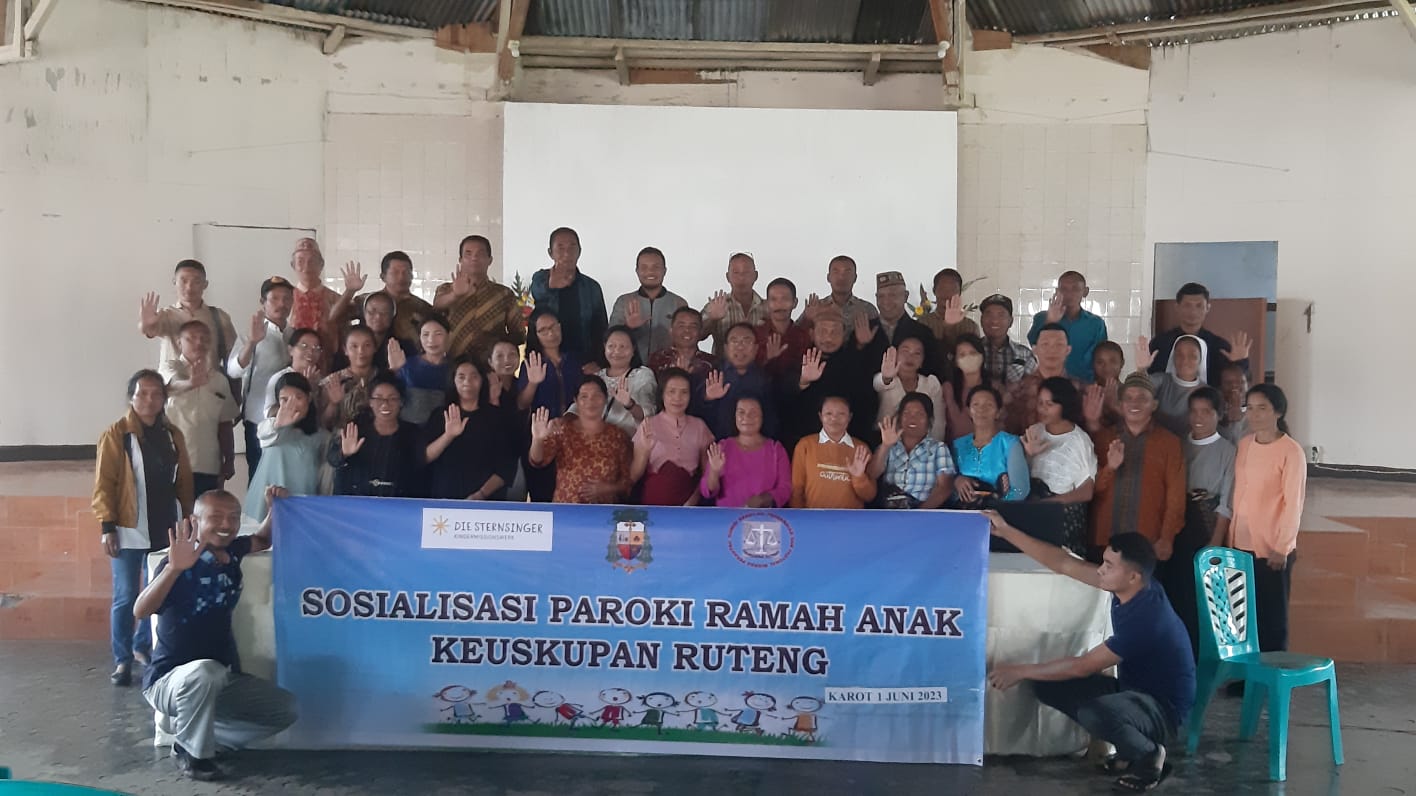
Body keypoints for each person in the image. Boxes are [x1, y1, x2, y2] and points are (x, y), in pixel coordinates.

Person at [985, 513, 1194, 793]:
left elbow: (1083, 666)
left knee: (1096, 712)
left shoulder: (1147, 619)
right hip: (1134, 691)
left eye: (1109, 565)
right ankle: (1129, 751)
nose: (1100, 570)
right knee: (1048, 687)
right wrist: (1006, 530)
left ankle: (1149, 755)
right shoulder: (1131, 588)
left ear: (1133, 576)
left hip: (1162, 711)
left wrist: (1019, 671)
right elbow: (1064, 563)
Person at [135, 490, 297, 781]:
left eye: (233, 517)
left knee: (284, 709)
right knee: (204, 672)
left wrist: (275, 509)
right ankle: (194, 756)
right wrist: (173, 568)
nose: (227, 523)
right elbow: (141, 610)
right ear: (195, 521)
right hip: (168, 682)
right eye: (216, 517)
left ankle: (203, 739)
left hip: (220, 679)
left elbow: (262, 539)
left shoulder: (232, 551)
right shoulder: (180, 561)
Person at [93, 370, 195, 687]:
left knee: (159, 592)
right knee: (126, 596)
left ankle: (143, 646)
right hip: (127, 527)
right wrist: (106, 526)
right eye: (142, 394)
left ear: (164, 399)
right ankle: (122, 659)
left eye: (156, 394)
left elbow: (184, 481)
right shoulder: (117, 434)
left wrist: (189, 517)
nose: (149, 400)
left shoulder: (172, 434)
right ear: (131, 397)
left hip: (166, 526)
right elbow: (104, 484)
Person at [1229, 384, 1305, 653]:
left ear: (1278, 411)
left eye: (1262, 408)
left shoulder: (1291, 451)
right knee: (1242, 616)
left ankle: (1272, 678)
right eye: (1250, 408)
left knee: (1272, 619)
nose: (1255, 414)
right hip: (1240, 543)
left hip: (1271, 549)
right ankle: (1246, 677)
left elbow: (1292, 504)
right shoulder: (1245, 444)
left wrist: (1282, 547)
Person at [1088, 372, 1186, 565]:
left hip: (1148, 541)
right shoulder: (1103, 438)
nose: (1135, 404)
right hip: (1105, 538)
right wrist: (1110, 467)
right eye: (1129, 398)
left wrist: (1167, 537)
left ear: (1154, 405)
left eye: (1143, 398)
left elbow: (1176, 497)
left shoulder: (1169, 443)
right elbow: (1092, 490)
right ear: (1120, 405)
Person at [1172, 386, 1236, 658]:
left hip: (1208, 527)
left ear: (1218, 414)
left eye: (1206, 412)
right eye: (1194, 411)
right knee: (1180, 593)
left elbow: (1226, 502)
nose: (1199, 417)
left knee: (1208, 596)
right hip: (1177, 526)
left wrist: (1215, 544)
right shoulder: (1177, 445)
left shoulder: (1227, 451)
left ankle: (1209, 659)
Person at [1014, 378, 1097, 554]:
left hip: (1062, 514)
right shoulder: (1034, 431)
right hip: (1033, 507)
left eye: (1049, 404)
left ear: (1064, 405)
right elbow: (1018, 478)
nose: (1043, 409)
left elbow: (1086, 491)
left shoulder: (1079, 441)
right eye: (1040, 403)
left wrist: (1049, 504)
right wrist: (1027, 455)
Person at [159, 321, 238, 496]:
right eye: (192, 338)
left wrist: (230, 459)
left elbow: (225, 424)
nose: (199, 343)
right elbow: (170, 386)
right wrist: (191, 383)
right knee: (177, 518)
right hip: (174, 463)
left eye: (204, 338)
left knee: (206, 516)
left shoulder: (219, 380)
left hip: (208, 462)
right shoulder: (168, 368)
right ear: (179, 342)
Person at [227, 276, 295, 481]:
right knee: (259, 476)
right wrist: (252, 343)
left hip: (290, 418)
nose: (281, 304)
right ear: (262, 302)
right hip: (259, 419)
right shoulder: (251, 335)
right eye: (274, 299)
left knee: (284, 476)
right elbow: (233, 370)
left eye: (287, 299)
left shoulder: (295, 335)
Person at [528, 376, 634, 504]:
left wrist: (607, 488)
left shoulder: (618, 436)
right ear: (576, 401)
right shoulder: (563, 430)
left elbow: (627, 481)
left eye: (597, 396)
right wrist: (537, 440)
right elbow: (537, 461)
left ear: (605, 399)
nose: (591, 401)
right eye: (584, 396)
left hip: (603, 514)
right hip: (566, 510)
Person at [781, 310, 879, 450]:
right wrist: (802, 381)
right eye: (823, 331)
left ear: (844, 335)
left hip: (846, 443)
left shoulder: (854, 363)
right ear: (811, 334)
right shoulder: (800, 360)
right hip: (806, 443)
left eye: (835, 332)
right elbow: (782, 399)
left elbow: (868, 405)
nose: (828, 338)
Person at [423, 358, 518, 501]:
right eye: (461, 377)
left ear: (482, 381)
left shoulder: (497, 418)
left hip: (486, 504)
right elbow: (424, 457)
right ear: (453, 381)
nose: (467, 382)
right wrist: (448, 435)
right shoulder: (440, 415)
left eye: (474, 377)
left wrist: (481, 494)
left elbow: (506, 467)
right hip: (443, 503)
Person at [245, 372, 329, 521]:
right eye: (285, 399)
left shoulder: (319, 436)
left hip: (301, 505)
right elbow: (263, 434)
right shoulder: (271, 429)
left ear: (308, 398)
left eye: (298, 397)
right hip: (265, 507)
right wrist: (278, 424)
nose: (292, 404)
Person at [433, 235, 526, 362]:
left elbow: (519, 334)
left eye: (480, 254)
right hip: (454, 366)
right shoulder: (446, 290)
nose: (474, 258)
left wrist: (494, 343)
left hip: (492, 368)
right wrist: (455, 295)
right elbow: (436, 307)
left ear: (490, 260)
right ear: (460, 259)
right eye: (468, 254)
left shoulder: (504, 294)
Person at [328, 375, 425, 498]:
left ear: (401, 402)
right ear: (370, 402)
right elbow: (332, 458)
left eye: (392, 398)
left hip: (397, 507)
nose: (385, 404)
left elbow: (419, 468)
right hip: (355, 505)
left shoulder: (412, 433)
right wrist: (344, 453)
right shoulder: (356, 427)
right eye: (378, 398)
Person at [631, 369, 714, 506]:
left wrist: (693, 500)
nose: (677, 398)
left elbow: (707, 476)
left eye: (684, 392)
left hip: (689, 505)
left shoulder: (699, 426)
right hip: (654, 503)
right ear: (662, 394)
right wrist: (645, 451)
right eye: (671, 391)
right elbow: (634, 476)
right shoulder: (648, 425)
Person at [139, 259, 238, 373]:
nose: (189, 287)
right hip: (174, 387)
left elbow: (233, 354)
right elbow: (149, 330)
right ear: (174, 282)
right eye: (183, 281)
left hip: (209, 385)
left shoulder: (219, 317)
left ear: (205, 284)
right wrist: (145, 324)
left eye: (196, 281)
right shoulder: (166, 315)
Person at [530, 227, 608, 363]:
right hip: (546, 361)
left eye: (572, 247)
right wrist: (551, 286)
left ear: (580, 251)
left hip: (583, 361)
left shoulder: (591, 287)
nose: (567, 253)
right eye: (560, 248)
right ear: (550, 253)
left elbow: (600, 330)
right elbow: (537, 293)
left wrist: (598, 362)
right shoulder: (541, 279)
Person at [1148, 282, 1251, 386]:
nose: (1193, 311)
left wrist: (1240, 363)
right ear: (1177, 307)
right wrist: (1142, 368)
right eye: (1187, 305)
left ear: (1208, 308)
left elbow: (1237, 385)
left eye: (1199, 306)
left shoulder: (1219, 347)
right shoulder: (1160, 343)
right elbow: (1148, 382)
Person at [867, 393, 956, 509]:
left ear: (929, 420)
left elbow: (945, 488)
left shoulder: (938, 448)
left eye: (919, 414)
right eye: (906, 413)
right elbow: (872, 474)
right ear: (899, 418)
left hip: (923, 513)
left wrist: (918, 514)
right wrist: (885, 446)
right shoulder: (890, 446)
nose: (912, 418)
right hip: (890, 512)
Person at [700, 396, 791, 508]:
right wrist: (714, 472)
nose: (747, 417)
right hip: (726, 521)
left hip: (764, 521)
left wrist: (763, 499)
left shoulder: (776, 450)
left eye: (753, 413)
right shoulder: (722, 447)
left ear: (763, 416)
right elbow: (708, 492)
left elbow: (785, 489)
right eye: (741, 412)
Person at [789, 396, 876, 509]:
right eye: (828, 414)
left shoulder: (861, 448)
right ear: (820, 416)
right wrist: (800, 521)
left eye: (841, 414)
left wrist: (859, 477)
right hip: (813, 520)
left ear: (850, 417)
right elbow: (796, 490)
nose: (834, 419)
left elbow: (869, 496)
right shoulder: (805, 445)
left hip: (851, 522)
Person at [331, 251, 434, 344]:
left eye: (406, 272)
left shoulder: (422, 307)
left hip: (408, 361)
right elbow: (334, 317)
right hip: (368, 360)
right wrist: (350, 291)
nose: (401, 277)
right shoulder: (368, 301)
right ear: (383, 276)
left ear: (412, 276)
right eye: (395, 272)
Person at [951, 385, 1029, 505]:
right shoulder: (958, 445)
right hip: (963, 513)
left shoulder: (1010, 444)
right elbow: (947, 485)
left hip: (1000, 514)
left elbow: (1020, 490)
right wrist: (957, 481)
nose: (981, 409)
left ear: (998, 412)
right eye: (976, 405)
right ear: (968, 412)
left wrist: (996, 503)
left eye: (989, 405)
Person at [608, 246, 687, 362]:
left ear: (664, 271)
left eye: (656, 267)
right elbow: (610, 338)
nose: (650, 272)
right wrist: (628, 327)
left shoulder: (678, 303)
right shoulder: (624, 301)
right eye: (644, 267)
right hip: (629, 368)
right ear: (637, 271)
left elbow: (687, 339)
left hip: (668, 368)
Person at [700, 323, 777, 441]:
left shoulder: (766, 378)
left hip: (754, 448)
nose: (740, 347)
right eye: (734, 341)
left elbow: (772, 421)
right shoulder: (711, 375)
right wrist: (708, 398)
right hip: (718, 448)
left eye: (746, 341)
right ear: (725, 348)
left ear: (756, 348)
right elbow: (696, 415)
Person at [1028, 271, 1108, 382]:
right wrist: (1050, 321)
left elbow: (1101, 358)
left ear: (1085, 292)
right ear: (1057, 291)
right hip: (1047, 384)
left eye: (1075, 289)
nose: (1069, 294)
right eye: (1064, 289)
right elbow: (1034, 346)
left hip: (1084, 386)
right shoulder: (1042, 318)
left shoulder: (1096, 323)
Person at [1004, 323, 1079, 435]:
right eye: (1045, 344)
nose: (1052, 350)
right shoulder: (1018, 390)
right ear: (1034, 349)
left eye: (1058, 345)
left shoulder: (1079, 389)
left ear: (1068, 350)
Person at [863, 271, 940, 377]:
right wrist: (860, 345)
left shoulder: (923, 333)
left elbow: (933, 371)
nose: (886, 301)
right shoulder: (864, 329)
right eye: (881, 296)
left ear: (906, 296)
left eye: (892, 295)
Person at [588, 326, 658, 436]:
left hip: (630, 442)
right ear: (604, 347)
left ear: (633, 349)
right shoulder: (597, 377)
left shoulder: (643, 375)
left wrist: (629, 405)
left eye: (623, 346)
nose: (616, 351)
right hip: (599, 441)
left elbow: (648, 414)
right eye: (611, 346)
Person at [874, 338, 946, 441]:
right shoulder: (887, 380)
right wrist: (886, 378)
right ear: (895, 355)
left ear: (922, 360)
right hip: (884, 441)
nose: (910, 357)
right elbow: (878, 384)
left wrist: (934, 447)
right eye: (905, 351)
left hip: (922, 444)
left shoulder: (931, 383)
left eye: (917, 353)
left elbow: (938, 422)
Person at [701, 252, 767, 358]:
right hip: (722, 370)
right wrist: (712, 319)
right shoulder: (716, 305)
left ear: (756, 276)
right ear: (727, 277)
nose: (741, 278)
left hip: (760, 370)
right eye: (736, 272)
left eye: (746, 272)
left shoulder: (767, 308)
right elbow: (695, 336)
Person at [1141, 333, 1208, 437]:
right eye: (1179, 355)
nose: (1185, 361)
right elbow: (1139, 393)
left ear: (1201, 359)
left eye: (1192, 356)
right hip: (1159, 443)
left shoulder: (1207, 392)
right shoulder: (1161, 380)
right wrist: (1141, 369)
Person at [320, 326, 386, 429]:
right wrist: (333, 404)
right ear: (345, 350)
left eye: (367, 345)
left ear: (375, 348)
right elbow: (323, 424)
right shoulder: (332, 382)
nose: (361, 351)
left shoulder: (385, 378)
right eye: (354, 346)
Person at [391, 315, 453, 425]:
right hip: (408, 428)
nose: (431, 340)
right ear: (419, 337)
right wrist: (395, 371)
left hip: (442, 429)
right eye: (425, 334)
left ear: (449, 336)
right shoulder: (407, 365)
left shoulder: (454, 368)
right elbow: (392, 396)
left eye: (438, 334)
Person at [288, 238, 341, 363]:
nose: (306, 266)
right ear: (293, 265)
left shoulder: (336, 299)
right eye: (300, 261)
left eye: (312, 261)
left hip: (328, 366)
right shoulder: (286, 299)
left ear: (321, 264)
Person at [921, 267, 982, 372]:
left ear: (959, 292)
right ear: (934, 291)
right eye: (943, 289)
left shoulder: (970, 326)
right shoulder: (923, 323)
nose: (947, 295)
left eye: (952, 290)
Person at [754, 277, 813, 379]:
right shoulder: (755, 334)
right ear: (767, 303)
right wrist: (768, 360)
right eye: (774, 299)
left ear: (795, 303)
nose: (779, 305)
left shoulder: (804, 337)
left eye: (785, 299)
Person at [261, 328, 324, 420]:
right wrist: (303, 390)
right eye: (304, 346)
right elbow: (268, 413)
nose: (310, 352)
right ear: (291, 350)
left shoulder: (321, 379)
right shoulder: (280, 377)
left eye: (316, 348)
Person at [804, 255, 878, 331]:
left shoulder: (868, 310)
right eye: (836, 272)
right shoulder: (816, 307)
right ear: (828, 277)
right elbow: (796, 337)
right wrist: (807, 320)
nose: (841, 277)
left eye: (847, 272)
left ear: (855, 278)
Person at [978, 294, 1037, 387]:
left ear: (1011, 321)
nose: (994, 321)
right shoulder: (972, 350)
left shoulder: (1025, 354)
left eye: (1001, 315)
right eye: (989, 314)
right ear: (981, 320)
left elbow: (1030, 389)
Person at [648, 307, 717, 381]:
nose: (687, 330)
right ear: (671, 330)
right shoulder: (657, 359)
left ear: (700, 332)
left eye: (693, 326)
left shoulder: (712, 363)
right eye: (681, 326)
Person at [942, 334, 988, 442]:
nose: (968, 358)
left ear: (982, 356)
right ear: (956, 361)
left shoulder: (995, 387)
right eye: (962, 355)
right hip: (955, 452)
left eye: (973, 353)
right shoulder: (948, 389)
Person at [1087, 340, 1126, 433]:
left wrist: (1114, 406)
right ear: (1093, 364)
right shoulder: (1087, 392)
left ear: (1122, 363)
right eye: (1100, 362)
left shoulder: (1131, 393)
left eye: (1113, 361)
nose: (1107, 367)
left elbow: (1135, 426)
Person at [1217, 363, 1250, 442]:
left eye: (1240, 382)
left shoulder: (1255, 414)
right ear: (1220, 387)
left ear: (1248, 385)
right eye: (1228, 383)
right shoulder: (1214, 413)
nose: (1235, 386)